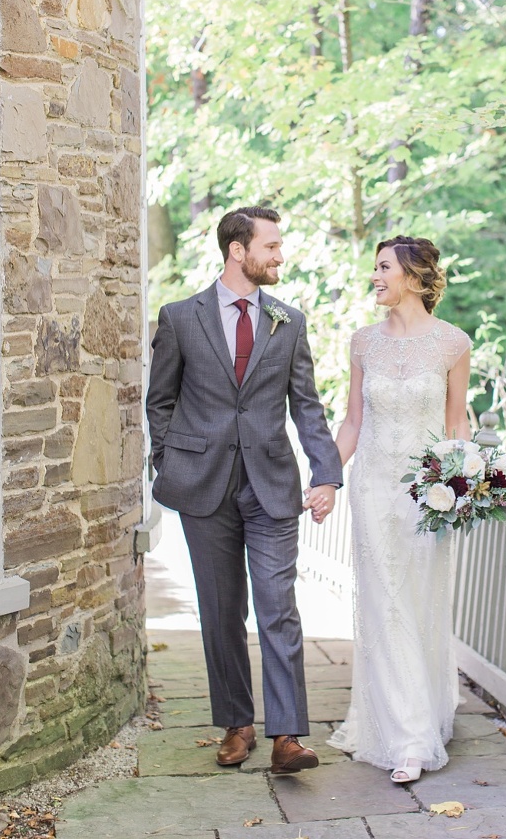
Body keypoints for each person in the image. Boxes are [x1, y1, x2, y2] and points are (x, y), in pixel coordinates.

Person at [146, 206, 343, 775]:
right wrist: (169, 458)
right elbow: (160, 400)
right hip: (202, 486)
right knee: (221, 611)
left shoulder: (289, 321)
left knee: (278, 609)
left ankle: (288, 735)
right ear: (238, 250)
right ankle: (237, 724)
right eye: (272, 246)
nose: (280, 256)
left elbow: (307, 406)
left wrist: (325, 472)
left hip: (271, 486)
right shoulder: (181, 318)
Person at [326, 235, 471, 784]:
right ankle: (407, 738)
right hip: (373, 489)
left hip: (427, 494)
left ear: (414, 276)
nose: (375, 276)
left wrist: (463, 485)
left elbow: (457, 423)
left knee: (419, 602)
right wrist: (326, 477)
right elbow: (353, 424)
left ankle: (426, 712)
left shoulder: (454, 344)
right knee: (383, 602)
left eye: (384, 267)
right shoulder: (363, 343)